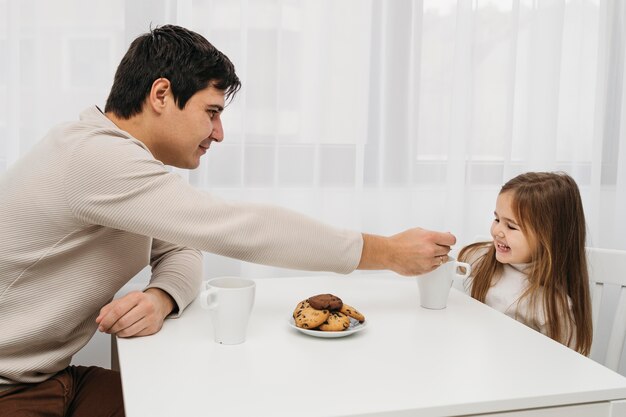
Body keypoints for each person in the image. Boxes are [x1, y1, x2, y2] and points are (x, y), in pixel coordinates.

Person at [0, 24, 456, 416]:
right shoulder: (94, 157)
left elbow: (182, 246)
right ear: (161, 94)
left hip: (52, 379)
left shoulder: (126, 165)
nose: (218, 134)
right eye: (211, 112)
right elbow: (241, 228)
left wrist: (162, 296)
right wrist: (387, 252)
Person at [458, 172, 592, 355]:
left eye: (511, 226)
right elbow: (443, 260)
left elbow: (565, 367)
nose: (497, 231)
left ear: (549, 238)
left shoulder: (553, 305)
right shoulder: (482, 258)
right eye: (497, 219)